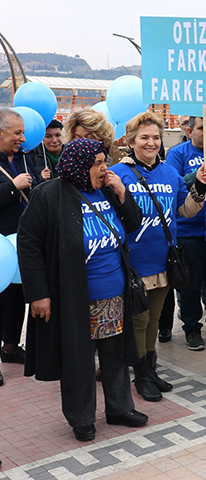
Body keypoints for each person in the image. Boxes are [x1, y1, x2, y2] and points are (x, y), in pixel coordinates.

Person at [20, 138, 147, 441]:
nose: (105, 168)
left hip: (114, 294)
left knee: (115, 356)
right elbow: (28, 244)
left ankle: (119, 408)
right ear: (79, 165)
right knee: (79, 359)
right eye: (98, 163)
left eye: (105, 161)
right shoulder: (50, 195)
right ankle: (81, 417)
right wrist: (38, 294)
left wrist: (122, 193)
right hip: (74, 296)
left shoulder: (106, 190)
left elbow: (134, 223)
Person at [109, 111, 206, 402]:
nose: (151, 142)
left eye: (155, 137)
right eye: (144, 137)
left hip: (165, 261)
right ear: (131, 141)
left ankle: (150, 369)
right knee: (139, 321)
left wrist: (200, 187)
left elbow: (186, 210)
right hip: (134, 264)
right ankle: (140, 374)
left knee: (154, 320)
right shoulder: (119, 173)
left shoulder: (170, 173)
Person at [0, 108, 49, 377]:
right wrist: (12, 186)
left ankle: (10, 347)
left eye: (23, 132)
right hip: (0, 245)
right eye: (16, 132)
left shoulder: (25, 158)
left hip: (22, 242)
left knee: (17, 296)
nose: (22, 137)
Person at [165, 116, 206, 351]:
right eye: (201, 128)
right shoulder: (178, 154)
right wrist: (197, 173)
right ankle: (191, 328)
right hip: (188, 232)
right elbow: (173, 185)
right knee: (190, 285)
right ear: (189, 130)